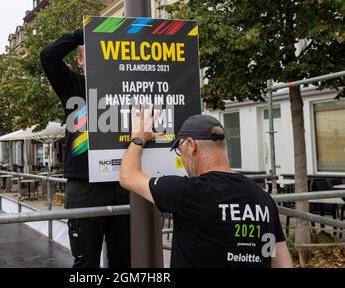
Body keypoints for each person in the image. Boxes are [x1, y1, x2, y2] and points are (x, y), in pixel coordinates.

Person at [119, 108, 293, 268]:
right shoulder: (263, 200)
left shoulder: (187, 192)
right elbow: (281, 263)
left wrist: (138, 138)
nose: (183, 161)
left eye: (180, 151)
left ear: (191, 145)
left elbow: (128, 176)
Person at [40, 29, 130, 268]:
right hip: (85, 184)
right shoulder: (73, 84)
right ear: (80, 61)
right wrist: (88, 32)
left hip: (123, 181)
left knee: (124, 259)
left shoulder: (125, 85)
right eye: (94, 50)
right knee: (86, 261)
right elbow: (48, 55)